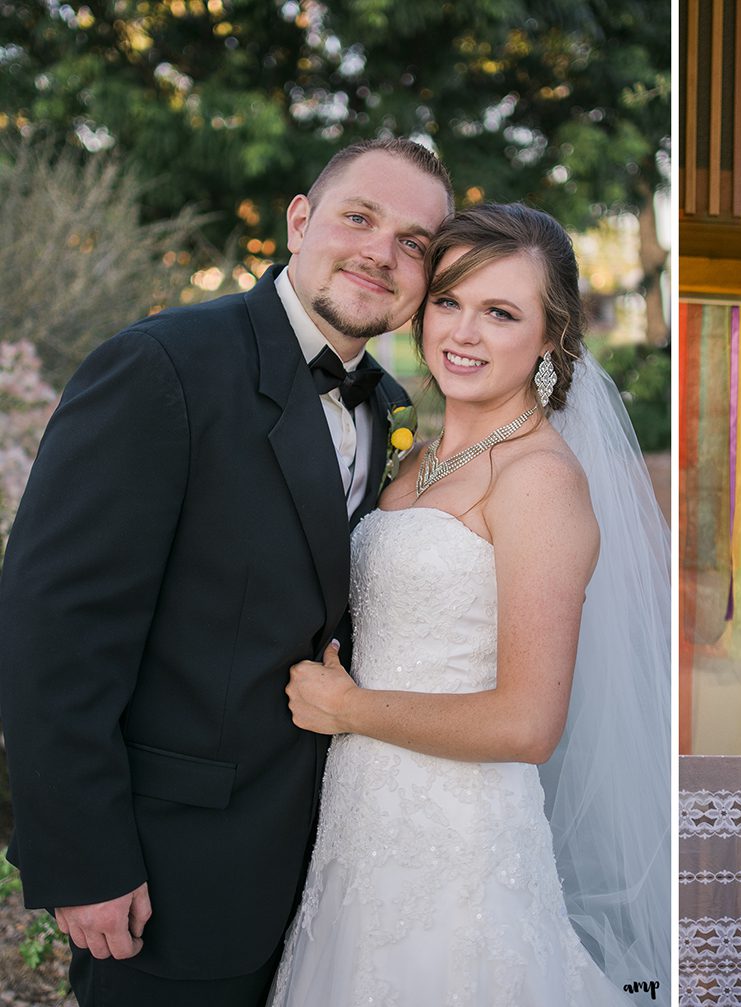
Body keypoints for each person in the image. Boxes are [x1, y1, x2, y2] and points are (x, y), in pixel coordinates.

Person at [0, 138, 454, 1006]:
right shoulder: (161, 368)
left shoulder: (393, 409)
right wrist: (84, 858)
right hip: (172, 876)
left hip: (338, 879)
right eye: (359, 217)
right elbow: (52, 630)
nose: (380, 252)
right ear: (299, 221)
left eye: (414, 244)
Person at [267, 202, 671, 1006]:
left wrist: (349, 708)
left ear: (550, 337)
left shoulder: (539, 480)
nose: (464, 332)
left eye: (501, 312)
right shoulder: (413, 457)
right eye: (449, 301)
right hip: (362, 830)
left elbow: (528, 724)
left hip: (458, 849)